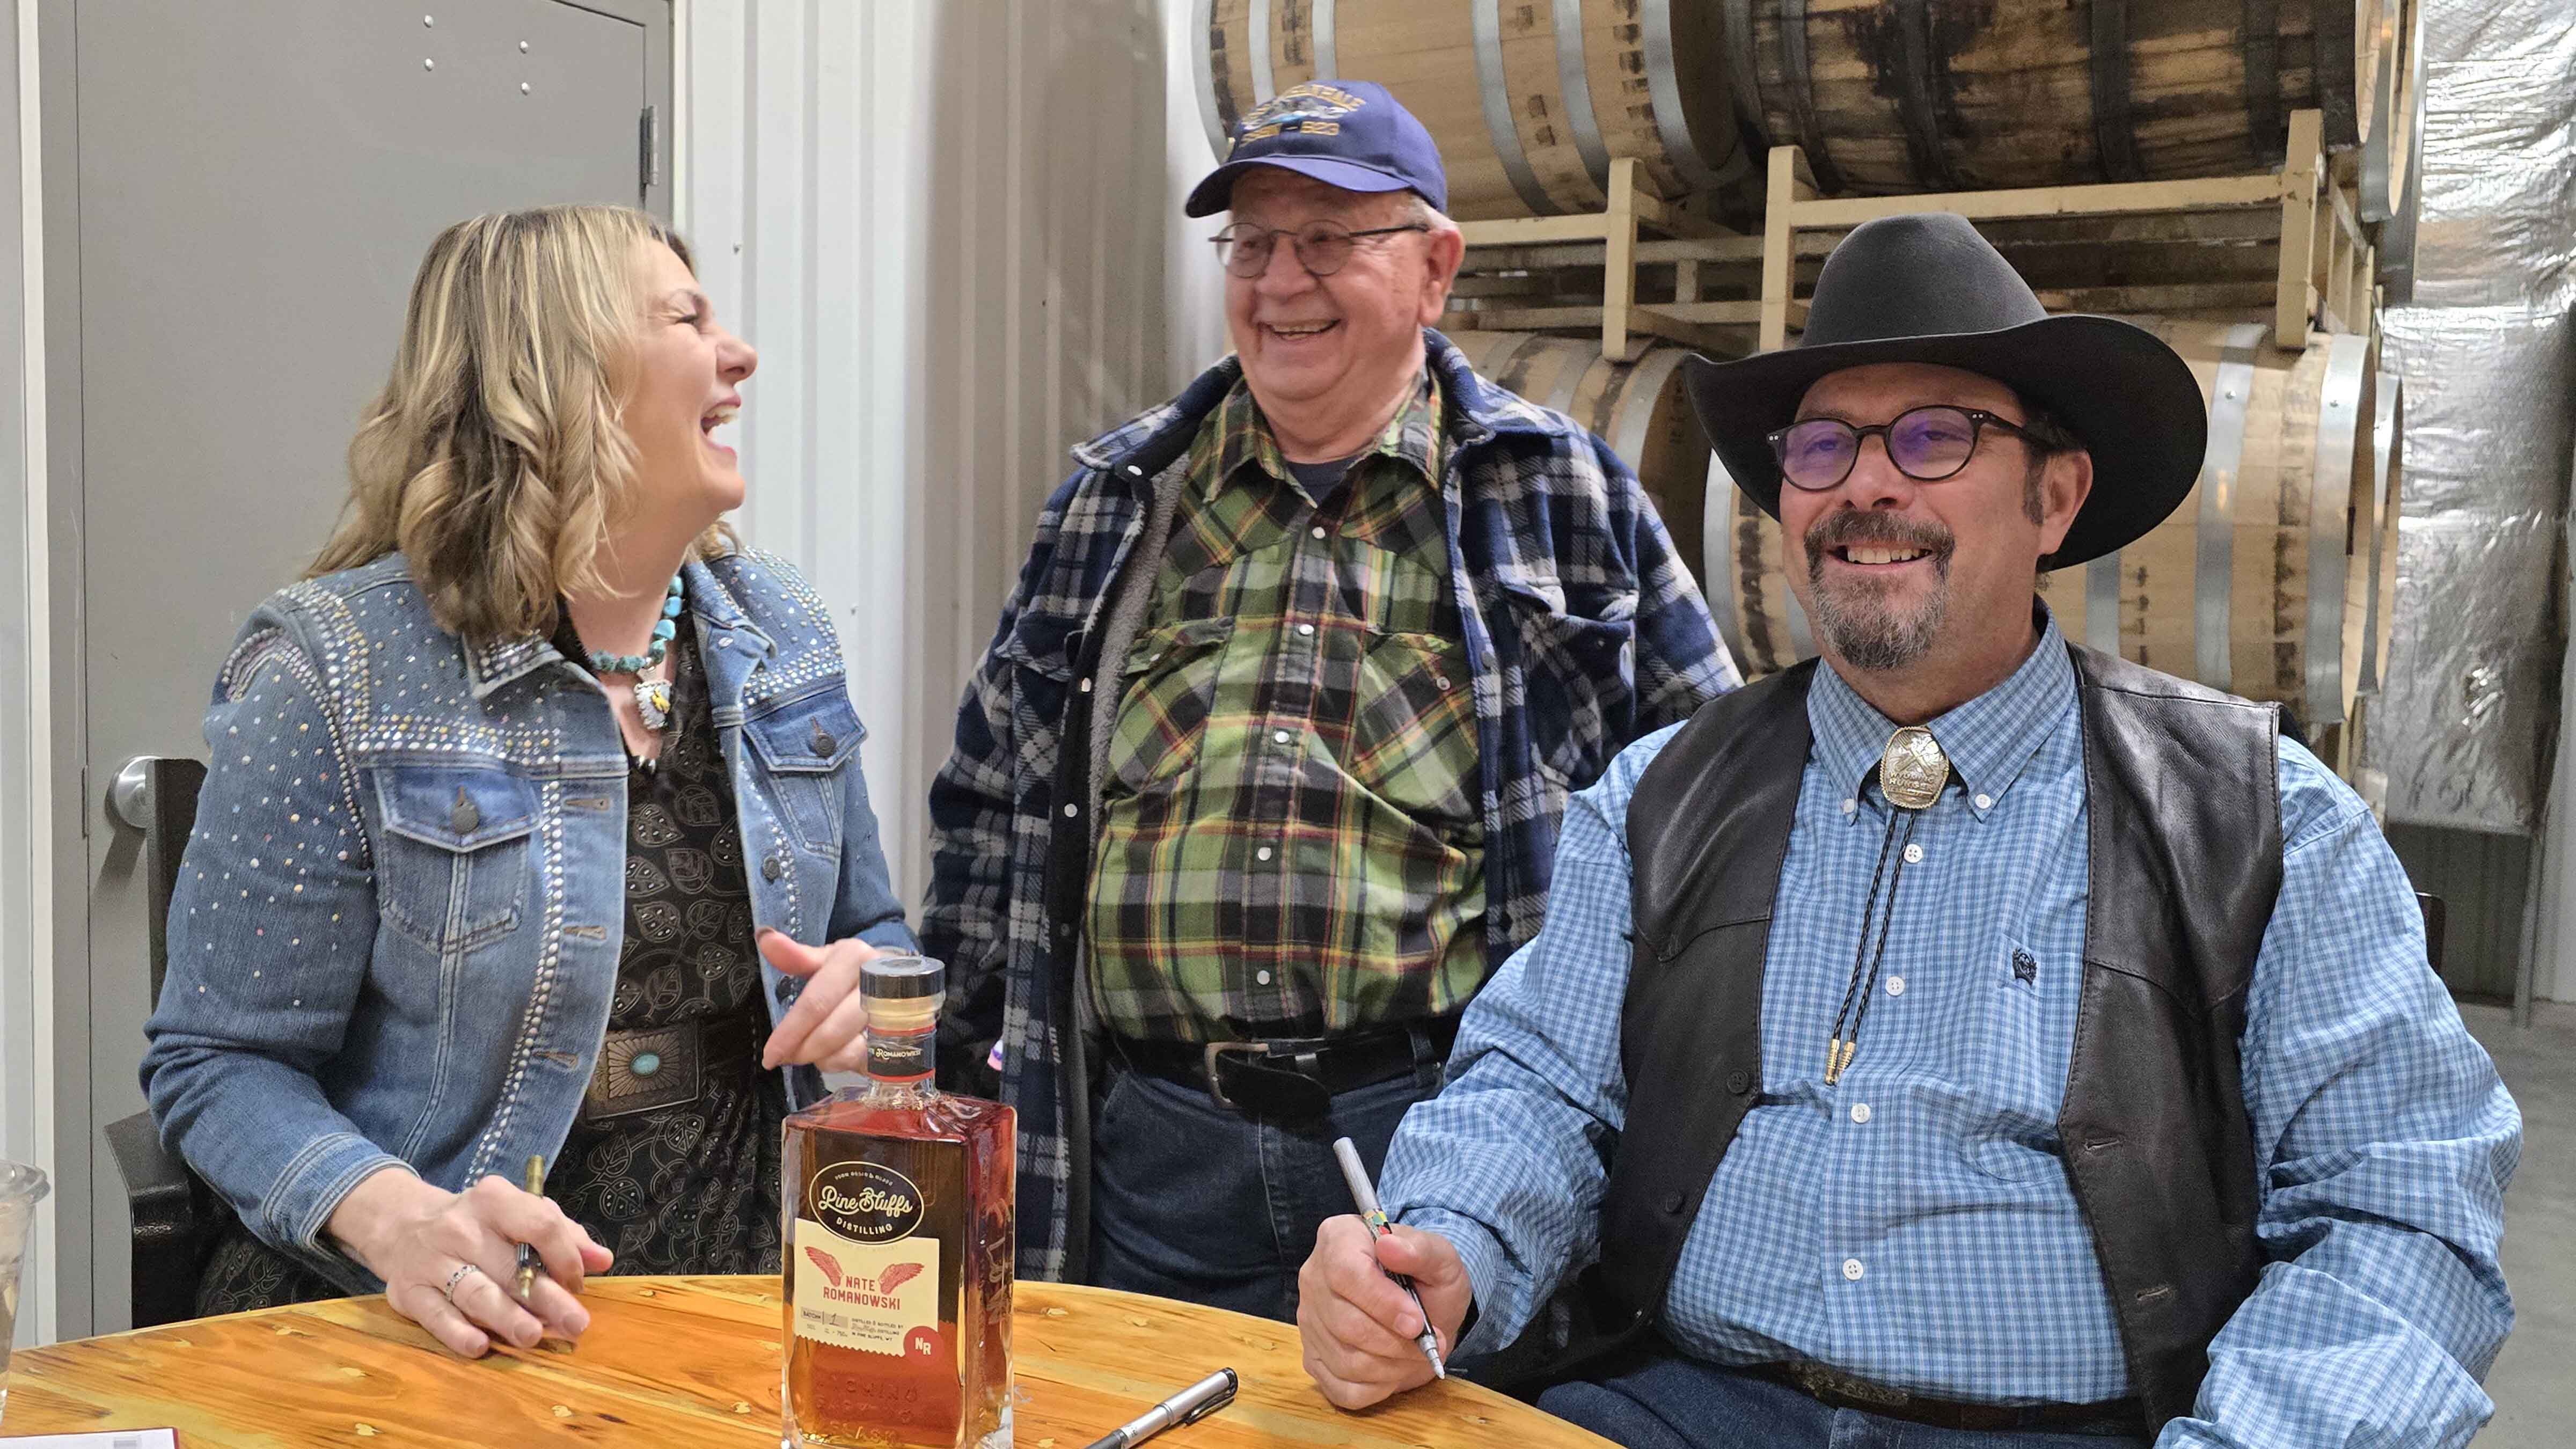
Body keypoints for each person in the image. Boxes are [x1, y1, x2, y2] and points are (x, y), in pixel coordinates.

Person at [1296, 213, 2521, 1446]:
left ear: (2055, 496)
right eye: (1822, 445)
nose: (1865, 484)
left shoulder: (2266, 824)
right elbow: (1539, 1091)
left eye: (1937, 436)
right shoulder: (1661, 797)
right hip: (1681, 1408)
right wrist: (1450, 1242)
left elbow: (2398, 1214)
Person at [923, 80, 1737, 1315]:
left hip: (1441, 1135)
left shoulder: (1562, 494)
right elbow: (992, 812)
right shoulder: (1117, 497)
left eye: (1329, 240)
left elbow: (1707, 810)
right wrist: (947, 1083)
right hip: (1149, 1153)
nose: (1280, 282)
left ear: (1434, 267)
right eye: (1251, 244)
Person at [142, 204, 915, 1356]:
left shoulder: (782, 629)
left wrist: (880, 994)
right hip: (416, 1333)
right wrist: (400, 1221)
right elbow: (218, 1066)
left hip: (744, 1314)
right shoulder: (333, 667)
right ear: (561, 381)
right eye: (688, 318)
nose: (739, 353)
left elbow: (877, 940)